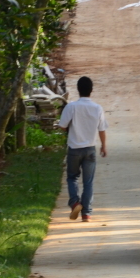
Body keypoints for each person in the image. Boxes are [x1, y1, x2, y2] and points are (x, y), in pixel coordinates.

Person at [58, 76, 108, 222]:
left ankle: (75, 203)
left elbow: (63, 126)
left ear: (78, 90)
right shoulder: (98, 108)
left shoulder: (71, 107)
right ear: (91, 90)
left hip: (74, 148)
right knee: (88, 182)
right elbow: (102, 129)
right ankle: (87, 213)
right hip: (90, 150)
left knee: (72, 177)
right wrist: (103, 146)